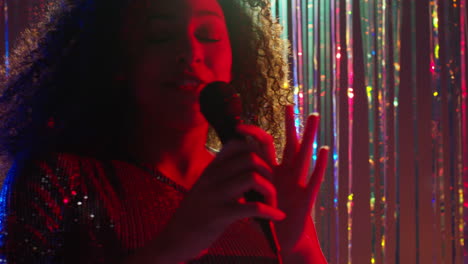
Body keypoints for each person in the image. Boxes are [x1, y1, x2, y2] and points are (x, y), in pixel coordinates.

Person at [0, 0, 329, 263]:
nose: (191, 52)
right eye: (160, 34)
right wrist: (173, 246)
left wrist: (298, 247)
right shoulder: (59, 177)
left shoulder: (256, 187)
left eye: (208, 33)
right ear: (116, 59)